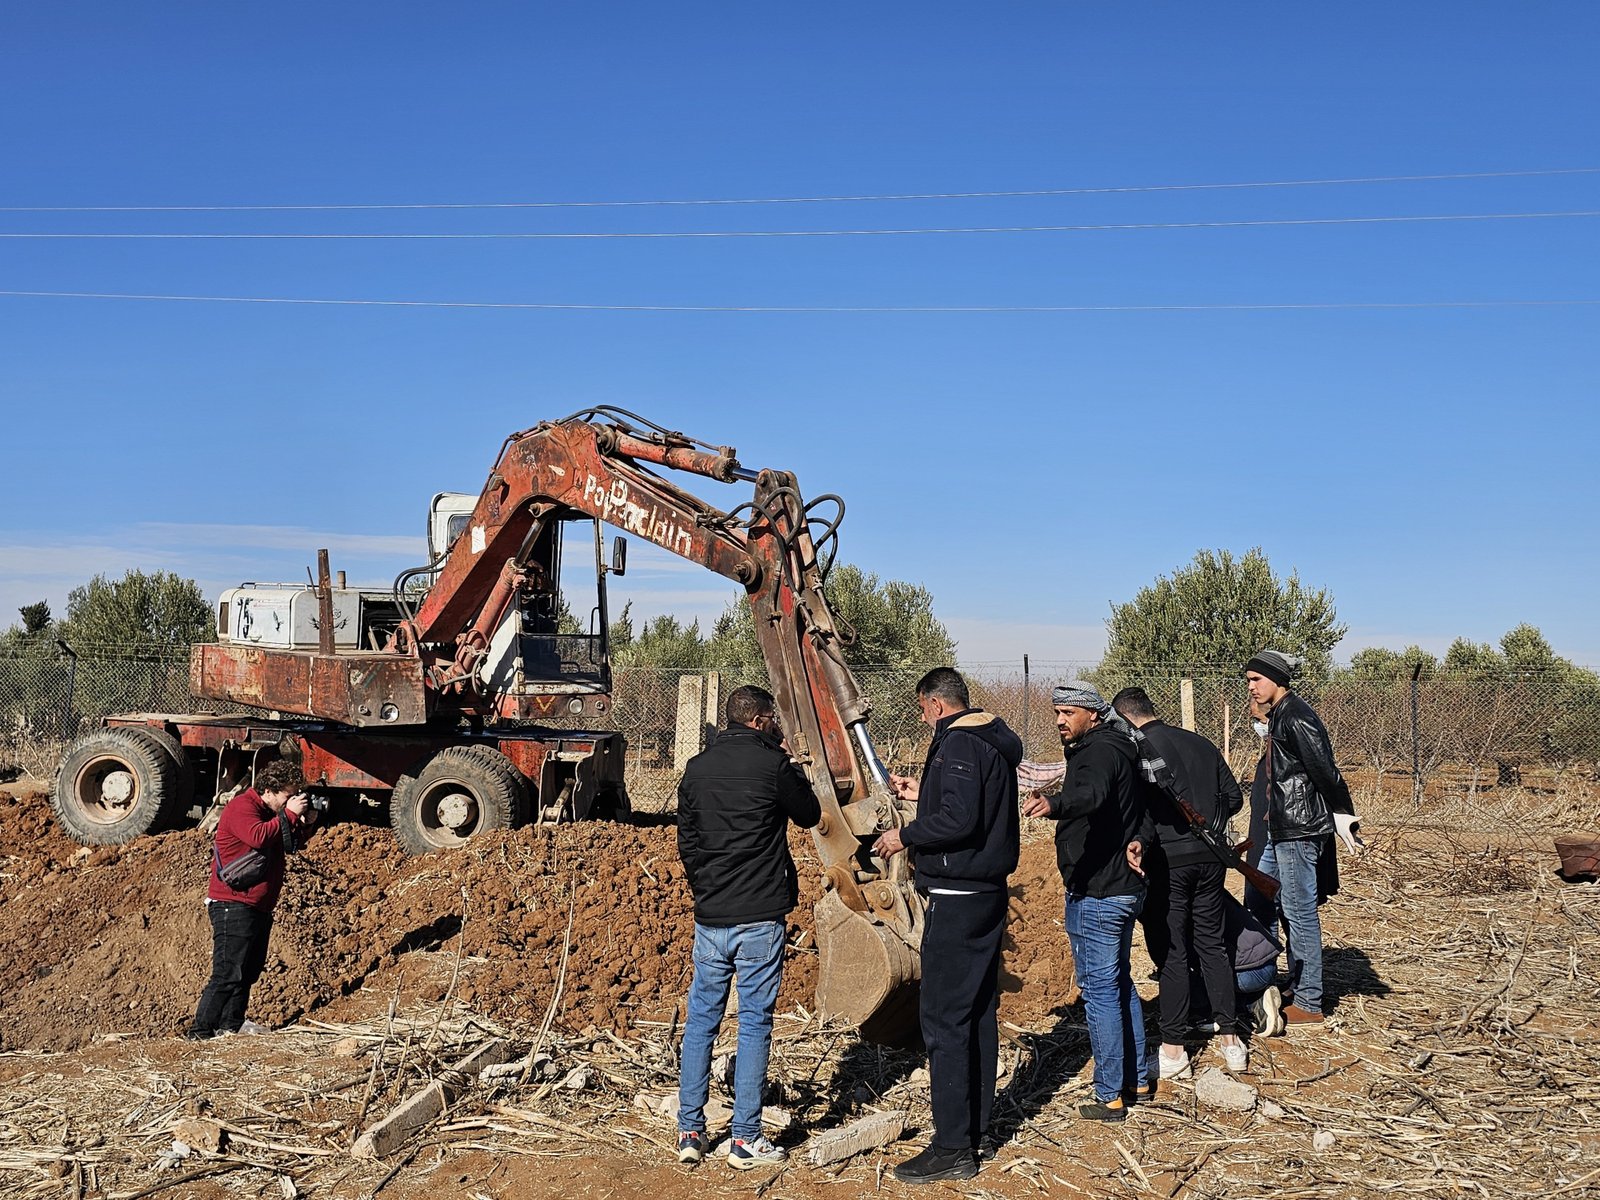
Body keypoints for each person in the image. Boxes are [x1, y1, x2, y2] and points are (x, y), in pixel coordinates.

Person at [873, 667, 1021, 1183]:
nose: (922, 718)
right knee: (977, 1011)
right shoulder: (990, 741)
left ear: (936, 705)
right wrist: (924, 791)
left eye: (921, 709)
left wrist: (905, 835)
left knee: (942, 1019)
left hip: (958, 896)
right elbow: (969, 804)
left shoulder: (959, 746)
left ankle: (953, 1147)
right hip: (985, 893)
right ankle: (975, 1130)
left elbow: (960, 821)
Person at [675, 685, 821, 1170]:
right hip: (759, 918)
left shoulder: (696, 770)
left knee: (701, 1022)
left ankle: (690, 1132)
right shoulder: (772, 767)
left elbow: (688, 842)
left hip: (711, 918)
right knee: (754, 1023)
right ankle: (744, 1140)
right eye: (773, 718)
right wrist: (794, 766)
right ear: (759, 721)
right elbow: (811, 814)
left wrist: (705, 889)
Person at [1022, 682, 1152, 1122]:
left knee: (1099, 992)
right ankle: (1138, 1078)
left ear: (1093, 714)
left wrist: (1055, 803)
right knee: (1118, 983)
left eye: (1069, 712)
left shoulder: (1096, 753)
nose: (1060, 720)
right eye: (1057, 712)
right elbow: (1139, 811)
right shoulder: (1121, 747)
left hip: (1099, 891)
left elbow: (1091, 795)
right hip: (1123, 888)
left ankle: (1110, 1094)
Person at [1110, 687, 1249, 1077]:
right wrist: (1209, 821)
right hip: (1211, 860)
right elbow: (1234, 798)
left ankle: (1173, 1050)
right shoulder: (1200, 743)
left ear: (1124, 718)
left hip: (1168, 862)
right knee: (1212, 944)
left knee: (1172, 953)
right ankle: (1231, 1041)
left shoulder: (1140, 750)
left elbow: (1134, 810)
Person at [1242, 649, 1357, 1025]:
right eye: (1248, 681)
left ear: (1277, 679)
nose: (1251, 688)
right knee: (1264, 902)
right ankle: (1288, 980)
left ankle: (1309, 1001)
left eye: (1257, 680)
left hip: (1298, 827)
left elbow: (1325, 770)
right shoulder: (1281, 715)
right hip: (1281, 826)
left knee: (1299, 911)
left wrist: (1343, 814)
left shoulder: (1297, 716)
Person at [186, 758, 317, 1040]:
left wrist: (303, 824)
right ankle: (199, 1033)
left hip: (257, 906)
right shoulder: (242, 807)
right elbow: (257, 837)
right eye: (288, 796)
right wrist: (290, 815)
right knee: (227, 972)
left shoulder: (270, 812)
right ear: (268, 791)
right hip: (233, 904)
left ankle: (229, 1026)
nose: (291, 801)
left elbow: (287, 843)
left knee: (248, 971)